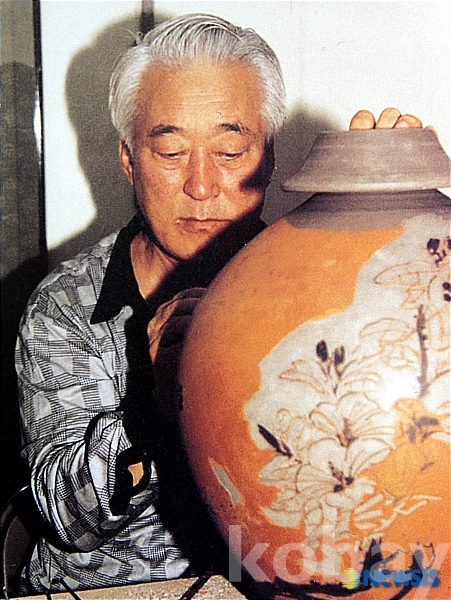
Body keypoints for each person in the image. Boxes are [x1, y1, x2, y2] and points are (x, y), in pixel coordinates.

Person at [15, 12, 425, 596]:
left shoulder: (318, 280)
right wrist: (151, 403)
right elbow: (65, 522)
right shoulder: (69, 306)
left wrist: (401, 222)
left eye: (230, 152)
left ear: (269, 158)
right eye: (170, 152)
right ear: (129, 159)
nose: (201, 186)